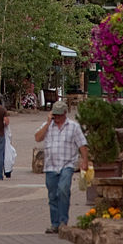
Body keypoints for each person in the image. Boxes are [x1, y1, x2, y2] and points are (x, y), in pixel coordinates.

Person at [34, 100, 89, 233]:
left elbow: (82, 144)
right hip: (50, 166)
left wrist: (85, 160)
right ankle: (55, 224)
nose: (57, 118)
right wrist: (47, 123)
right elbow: (37, 138)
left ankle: (63, 221)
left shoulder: (73, 127)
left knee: (63, 190)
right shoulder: (48, 126)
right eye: (55, 115)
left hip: (67, 164)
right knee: (53, 195)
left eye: (59, 115)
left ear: (65, 114)